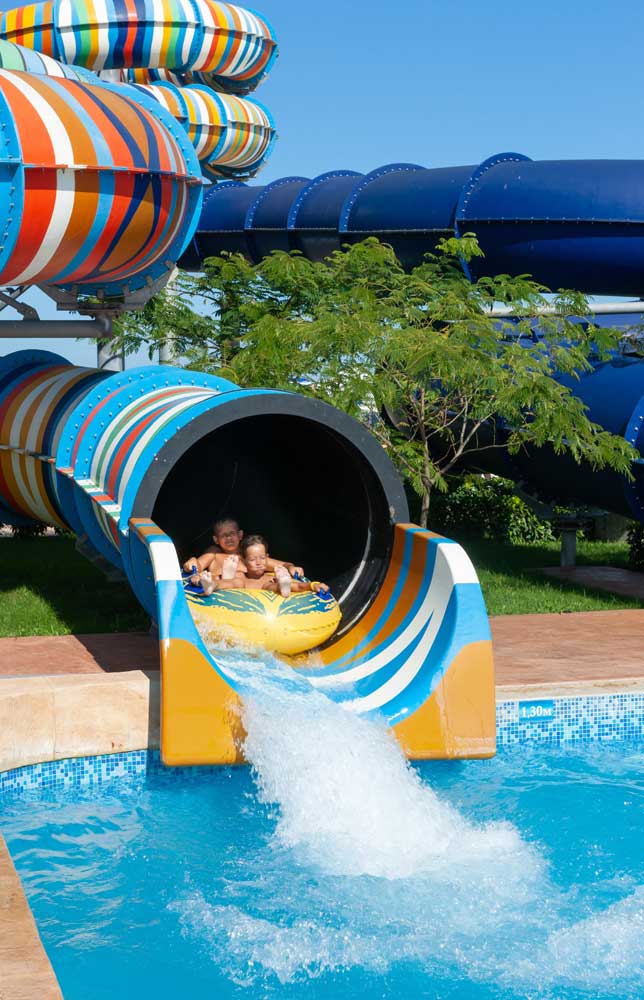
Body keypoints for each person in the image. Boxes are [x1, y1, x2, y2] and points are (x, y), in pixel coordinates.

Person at [194, 535, 329, 598]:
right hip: (239, 584)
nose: (259, 563)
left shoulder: (269, 580)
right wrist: (201, 578)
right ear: (244, 561)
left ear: (267, 557)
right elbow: (215, 577)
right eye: (252, 559)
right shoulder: (240, 575)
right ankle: (212, 586)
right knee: (235, 581)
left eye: (262, 558)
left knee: (272, 585)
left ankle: (284, 588)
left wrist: (313, 585)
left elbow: (299, 585)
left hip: (266, 587)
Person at [183, 517, 304, 579]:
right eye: (223, 535)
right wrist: (193, 561)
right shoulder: (214, 554)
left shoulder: (249, 556)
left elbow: (283, 565)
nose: (229, 538)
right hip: (220, 594)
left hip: (245, 597)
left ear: (240, 535)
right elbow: (197, 566)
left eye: (232, 533)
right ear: (216, 540)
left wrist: (291, 567)